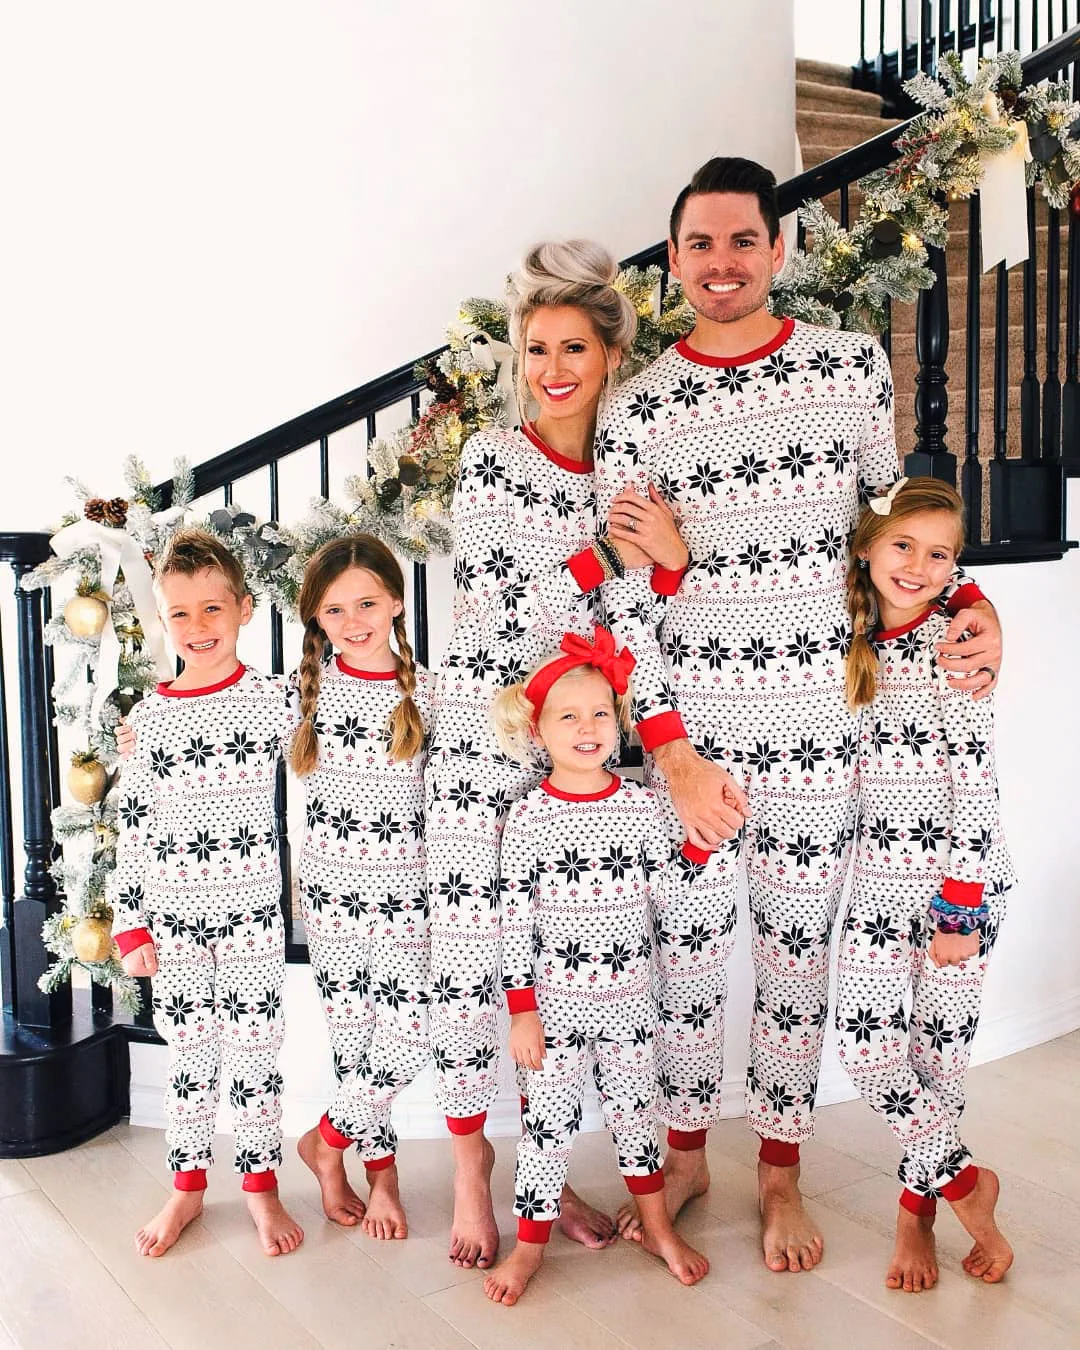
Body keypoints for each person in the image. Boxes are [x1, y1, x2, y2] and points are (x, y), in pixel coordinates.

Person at [594, 156, 1003, 1272]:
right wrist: (674, 755)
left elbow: (898, 534)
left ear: (779, 250)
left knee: (795, 964)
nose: (721, 263)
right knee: (682, 966)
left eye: (743, 240)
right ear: (673, 260)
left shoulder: (848, 366)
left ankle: (781, 1175)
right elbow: (623, 599)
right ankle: (685, 1158)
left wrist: (974, 605)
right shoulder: (638, 409)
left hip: (824, 737)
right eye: (699, 244)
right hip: (690, 750)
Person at [425, 240, 688, 1268]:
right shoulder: (494, 458)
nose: (552, 368)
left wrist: (665, 567)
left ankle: (552, 1174)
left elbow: (632, 622)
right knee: (469, 961)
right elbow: (496, 616)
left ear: (611, 353)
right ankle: (472, 1171)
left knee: (564, 971)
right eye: (536, 348)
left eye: (573, 346)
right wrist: (608, 556)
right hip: (478, 747)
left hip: (571, 751)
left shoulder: (628, 476)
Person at [483, 627, 714, 1305]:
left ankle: (657, 1226)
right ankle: (530, 1247)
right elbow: (514, 922)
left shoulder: (641, 804)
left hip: (630, 1005)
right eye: (569, 716)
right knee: (546, 1131)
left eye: (600, 714)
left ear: (619, 721)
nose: (587, 728)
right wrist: (522, 1013)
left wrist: (702, 846)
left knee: (636, 1123)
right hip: (554, 1010)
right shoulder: (529, 816)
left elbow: (668, 891)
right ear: (538, 730)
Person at [836, 477, 1014, 1291]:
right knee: (868, 1051)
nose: (919, 566)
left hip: (959, 884)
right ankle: (969, 1185)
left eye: (941, 555)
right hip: (879, 878)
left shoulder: (954, 645)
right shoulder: (847, 633)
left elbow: (976, 783)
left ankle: (918, 1217)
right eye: (903, 545)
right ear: (868, 546)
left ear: (956, 566)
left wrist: (961, 904)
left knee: (939, 1063)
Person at [111, 529, 304, 1259]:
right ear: (163, 620)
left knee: (256, 1052)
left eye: (212, 609)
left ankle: (261, 1188)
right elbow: (135, 824)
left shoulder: (273, 700)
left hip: (252, 915)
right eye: (181, 613)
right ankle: (187, 1188)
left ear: (245, 609)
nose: (198, 626)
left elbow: (346, 724)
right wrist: (130, 925)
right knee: (189, 1055)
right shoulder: (150, 720)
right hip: (174, 919)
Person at [291, 536, 434, 1241]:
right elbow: (212, 722)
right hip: (330, 896)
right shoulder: (301, 696)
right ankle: (382, 1180)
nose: (353, 622)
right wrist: (138, 738)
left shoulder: (428, 695)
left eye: (367, 604)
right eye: (334, 610)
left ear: (396, 603)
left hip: (408, 898)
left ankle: (324, 1141)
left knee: (409, 1034)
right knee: (354, 1047)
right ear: (317, 620)